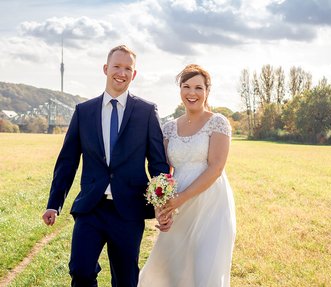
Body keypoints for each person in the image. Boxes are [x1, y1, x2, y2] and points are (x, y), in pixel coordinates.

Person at [42, 44, 170, 287]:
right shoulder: (84, 111)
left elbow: (158, 163)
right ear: (105, 69)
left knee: (125, 279)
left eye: (127, 68)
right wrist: (53, 204)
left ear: (134, 74)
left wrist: (162, 205)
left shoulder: (146, 111)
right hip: (91, 207)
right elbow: (67, 162)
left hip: (129, 210)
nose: (121, 73)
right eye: (117, 66)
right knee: (80, 271)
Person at [138, 64, 237, 287]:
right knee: (173, 269)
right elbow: (162, 171)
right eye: (186, 86)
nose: (192, 92)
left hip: (212, 205)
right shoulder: (169, 128)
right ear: (180, 90)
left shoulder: (218, 122)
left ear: (207, 91)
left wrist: (180, 198)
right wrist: (161, 207)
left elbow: (216, 168)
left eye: (198, 87)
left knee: (206, 270)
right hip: (177, 207)